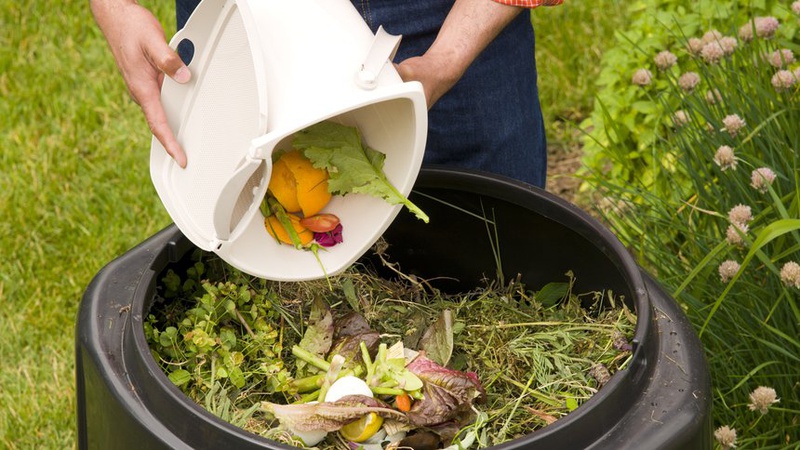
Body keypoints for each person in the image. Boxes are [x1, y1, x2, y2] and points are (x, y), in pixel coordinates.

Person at [90, 0, 561, 187]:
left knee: (497, 269)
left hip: (437, 14)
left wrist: (443, 62)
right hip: (245, 16)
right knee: (265, 275)